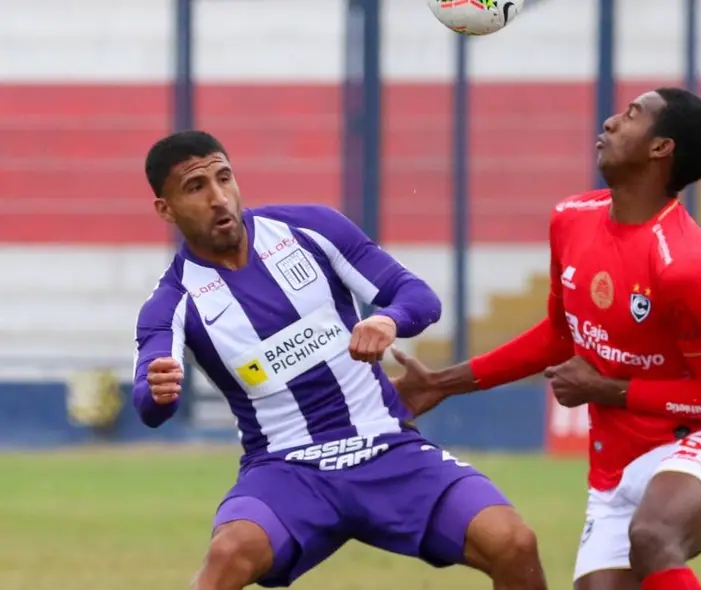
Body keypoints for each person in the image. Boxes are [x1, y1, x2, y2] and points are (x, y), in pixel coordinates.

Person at [132, 130, 547, 590]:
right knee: (226, 558)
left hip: (386, 448)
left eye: (223, 178)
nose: (218, 197)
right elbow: (149, 399)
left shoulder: (310, 230)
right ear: (165, 209)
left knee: (514, 543)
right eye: (196, 187)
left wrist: (388, 320)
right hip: (285, 469)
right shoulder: (171, 302)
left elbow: (417, 296)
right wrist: (158, 391)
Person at [391, 87, 701, 590]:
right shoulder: (571, 218)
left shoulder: (684, 266)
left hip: (695, 442)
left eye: (631, 115)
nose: (610, 121)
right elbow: (560, 336)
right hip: (613, 467)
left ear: (661, 148)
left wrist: (608, 390)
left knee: (654, 537)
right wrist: (442, 383)